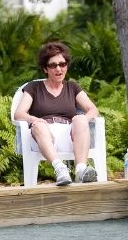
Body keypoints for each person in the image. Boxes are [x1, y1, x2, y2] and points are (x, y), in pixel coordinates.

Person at [12, 41, 100, 185]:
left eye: (62, 64)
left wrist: (83, 120)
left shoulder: (72, 87)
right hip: (43, 136)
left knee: (80, 119)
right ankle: (60, 169)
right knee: (38, 126)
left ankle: (80, 170)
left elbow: (93, 110)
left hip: (70, 134)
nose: (59, 69)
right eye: (53, 65)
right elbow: (19, 113)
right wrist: (35, 119)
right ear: (45, 69)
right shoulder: (33, 87)